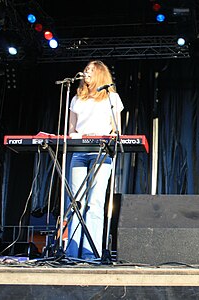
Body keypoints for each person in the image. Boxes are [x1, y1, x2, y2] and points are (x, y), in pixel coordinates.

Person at [65, 60, 124, 260]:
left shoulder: (112, 97)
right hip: (79, 152)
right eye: (85, 69)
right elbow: (71, 128)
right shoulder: (76, 98)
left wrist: (101, 135)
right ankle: (72, 254)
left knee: (95, 203)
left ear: (99, 74)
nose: (85, 72)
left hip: (101, 152)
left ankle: (92, 253)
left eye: (90, 70)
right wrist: (78, 135)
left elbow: (116, 129)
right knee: (76, 203)